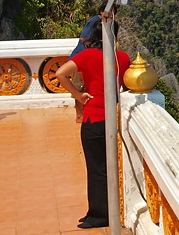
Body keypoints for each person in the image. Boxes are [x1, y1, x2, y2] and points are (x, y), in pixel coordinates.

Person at [56, 19, 130, 230]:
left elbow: (60, 73)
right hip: (113, 117)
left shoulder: (87, 55)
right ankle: (103, 211)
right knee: (110, 167)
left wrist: (79, 95)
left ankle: (98, 214)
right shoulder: (122, 57)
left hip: (93, 116)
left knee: (96, 168)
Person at [69, 12, 104, 123]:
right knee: (78, 87)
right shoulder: (95, 21)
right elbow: (83, 38)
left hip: (86, 60)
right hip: (79, 60)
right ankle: (79, 116)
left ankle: (83, 114)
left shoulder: (101, 23)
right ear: (103, 12)